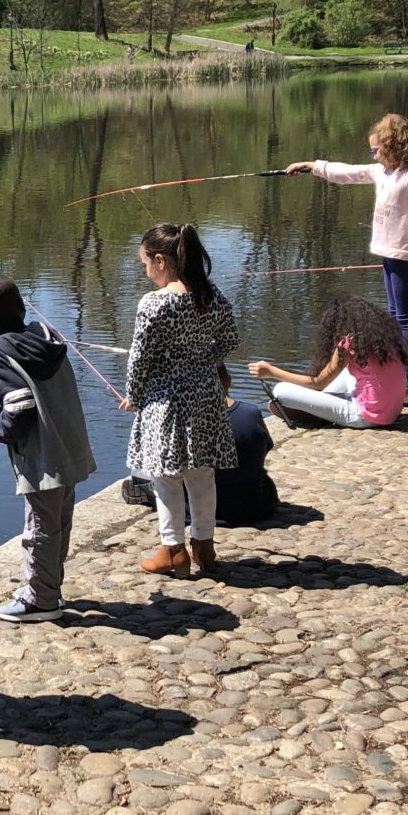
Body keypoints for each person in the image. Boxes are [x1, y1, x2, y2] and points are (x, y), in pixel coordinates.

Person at [0, 275, 96, 624]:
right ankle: (49, 586)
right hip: (71, 444)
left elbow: (19, 407)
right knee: (59, 521)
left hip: (41, 456)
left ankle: (41, 599)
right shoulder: (45, 334)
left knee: (39, 526)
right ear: (22, 306)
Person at [284, 112, 408, 401]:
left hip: (406, 256)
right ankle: (397, 377)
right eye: (372, 152)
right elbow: (348, 173)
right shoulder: (383, 173)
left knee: (405, 319)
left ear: (393, 147)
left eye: (376, 150)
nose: (374, 156)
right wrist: (311, 166)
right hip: (388, 253)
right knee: (393, 317)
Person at [121, 222, 238, 577]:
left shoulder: (154, 304)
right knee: (203, 474)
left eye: (144, 264)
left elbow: (138, 358)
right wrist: (203, 360)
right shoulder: (210, 294)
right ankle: (204, 545)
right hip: (206, 395)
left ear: (160, 260)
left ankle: (172, 550)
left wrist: (133, 396)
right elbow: (230, 341)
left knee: (165, 476)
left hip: (165, 400)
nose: (144, 271)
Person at [249, 296, 408, 429]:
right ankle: (321, 407)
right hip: (392, 412)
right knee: (347, 370)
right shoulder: (385, 340)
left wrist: (271, 372)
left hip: (366, 416)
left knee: (280, 390)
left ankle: (318, 411)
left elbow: (318, 382)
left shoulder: (348, 344)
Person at [214, 367, 278, 527]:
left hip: (199, 509)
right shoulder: (251, 413)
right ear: (228, 381)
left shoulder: (187, 419)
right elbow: (266, 447)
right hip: (254, 507)